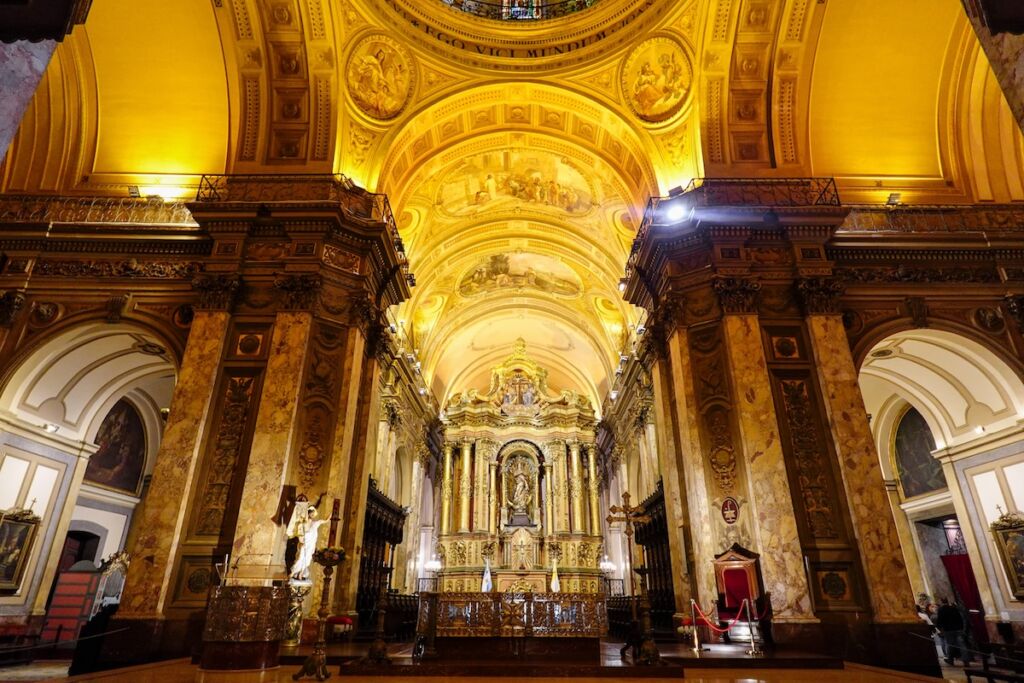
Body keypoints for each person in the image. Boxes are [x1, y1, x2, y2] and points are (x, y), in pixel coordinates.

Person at [935, 597, 973, 665]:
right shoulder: (953, 608)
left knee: (950, 645)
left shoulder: (941, 609)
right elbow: (959, 618)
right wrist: (961, 628)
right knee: (962, 644)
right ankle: (966, 661)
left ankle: (950, 659)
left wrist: (939, 627)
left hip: (948, 630)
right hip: (958, 629)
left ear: (941, 602)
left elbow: (939, 620)